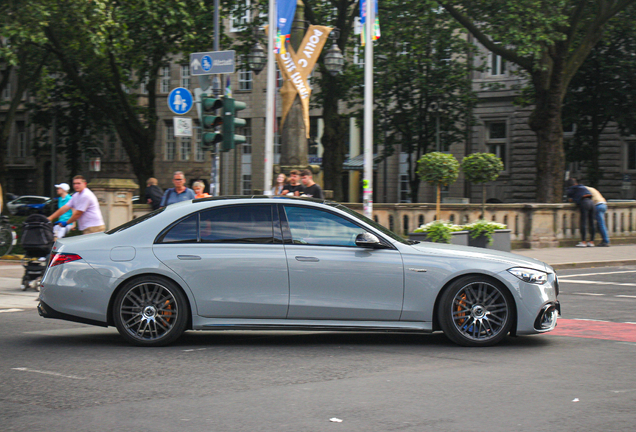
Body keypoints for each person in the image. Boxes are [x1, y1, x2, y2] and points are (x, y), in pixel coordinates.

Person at [566, 178, 595, 247]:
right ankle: (591, 241)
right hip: (591, 203)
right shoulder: (583, 187)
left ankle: (583, 241)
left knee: (583, 222)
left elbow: (569, 197)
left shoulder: (572, 189)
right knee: (592, 222)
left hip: (584, 203)